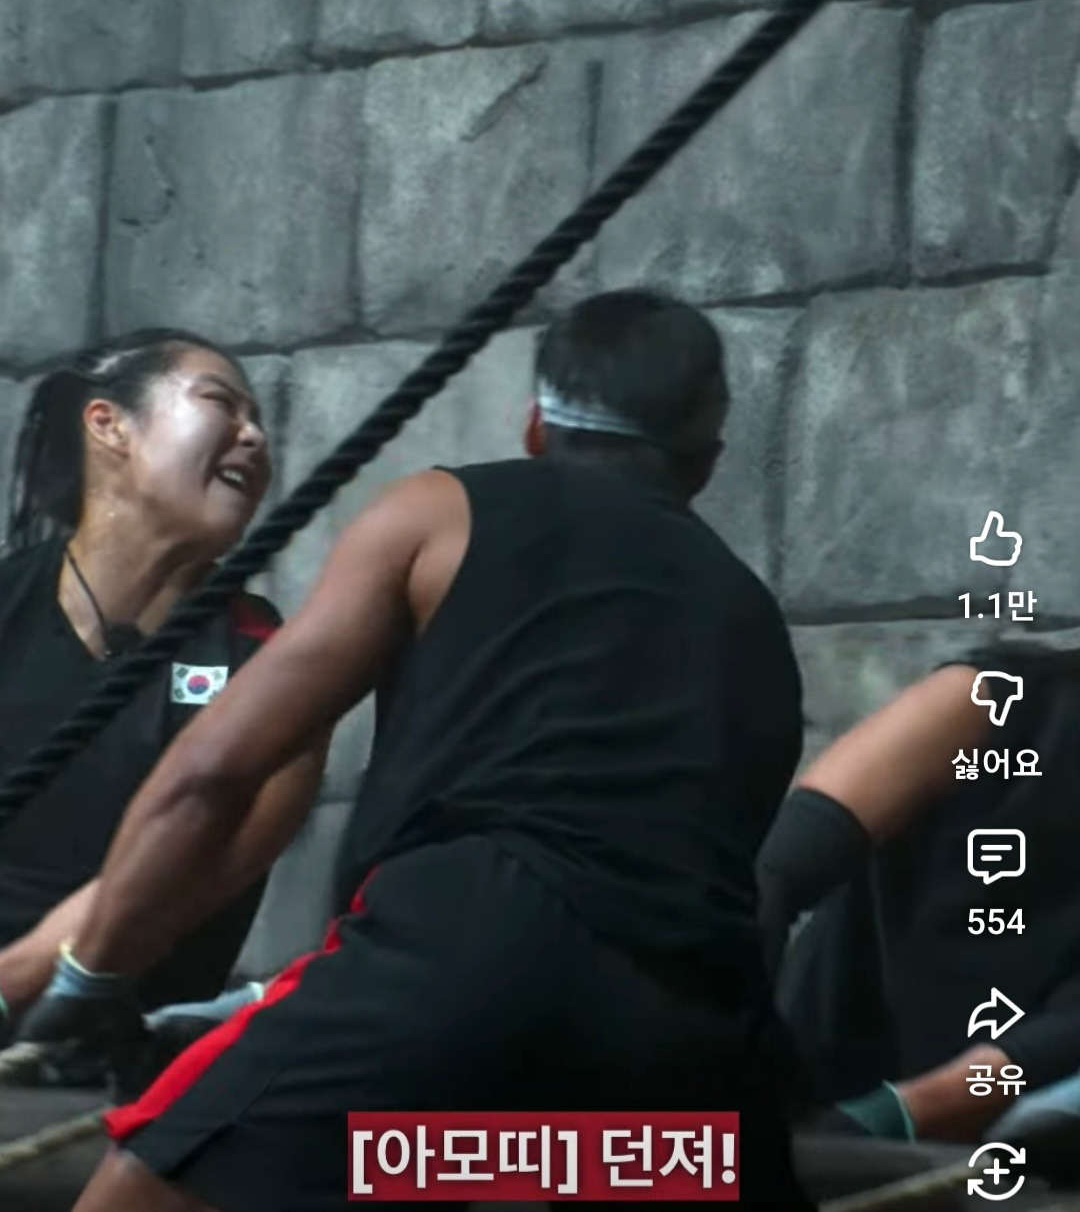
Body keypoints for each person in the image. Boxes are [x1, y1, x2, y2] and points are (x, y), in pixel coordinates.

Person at [18, 290, 815, 1212]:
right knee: (443, 1170)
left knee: (143, 1192)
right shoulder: (754, 619)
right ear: (704, 464)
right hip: (693, 1035)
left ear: (535, 426)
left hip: (461, 962)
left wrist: (89, 978)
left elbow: (209, 773)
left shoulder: (442, 513)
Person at [0, 330, 328, 1058]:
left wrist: (8, 985)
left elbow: (188, 876)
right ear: (109, 425)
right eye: (221, 403)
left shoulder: (270, 662)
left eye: (259, 420)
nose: (255, 437)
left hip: (118, 1071)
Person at [757, 643, 1080, 1160]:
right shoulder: (1000, 700)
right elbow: (775, 878)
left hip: (972, 1132)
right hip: (818, 1058)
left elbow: (1049, 1044)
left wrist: (887, 1116)